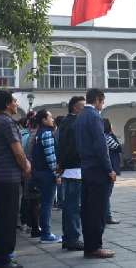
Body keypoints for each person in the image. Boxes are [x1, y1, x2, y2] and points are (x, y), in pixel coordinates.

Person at [0, 90, 31, 268]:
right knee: (7, 219)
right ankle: (3, 259)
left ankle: (0, 258)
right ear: (7, 104)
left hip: (1, 176)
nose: (16, 103)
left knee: (3, 217)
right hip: (8, 176)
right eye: (14, 101)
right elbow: (17, 150)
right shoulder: (7, 122)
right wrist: (26, 166)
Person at [75, 89, 116, 259]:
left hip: (86, 167)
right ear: (98, 100)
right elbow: (101, 146)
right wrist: (109, 169)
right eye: (102, 101)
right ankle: (95, 247)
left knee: (87, 209)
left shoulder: (80, 116)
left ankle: (90, 245)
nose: (102, 105)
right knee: (98, 211)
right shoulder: (94, 117)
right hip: (98, 169)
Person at [57, 96, 85, 251]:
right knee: (74, 207)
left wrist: (61, 164)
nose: (84, 109)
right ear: (75, 107)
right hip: (74, 169)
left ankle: (67, 238)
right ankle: (73, 238)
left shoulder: (66, 122)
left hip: (69, 168)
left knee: (69, 206)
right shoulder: (74, 123)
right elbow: (73, 148)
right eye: (82, 106)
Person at [31, 110, 61, 243]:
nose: (52, 119)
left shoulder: (38, 133)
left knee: (44, 203)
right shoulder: (47, 133)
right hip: (47, 174)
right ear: (43, 120)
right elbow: (50, 157)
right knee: (47, 204)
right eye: (50, 117)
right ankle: (46, 233)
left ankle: (44, 231)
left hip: (38, 172)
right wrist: (56, 173)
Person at [103, 119, 121, 225]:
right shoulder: (107, 137)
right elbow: (118, 147)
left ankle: (105, 215)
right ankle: (107, 216)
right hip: (110, 167)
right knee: (107, 193)